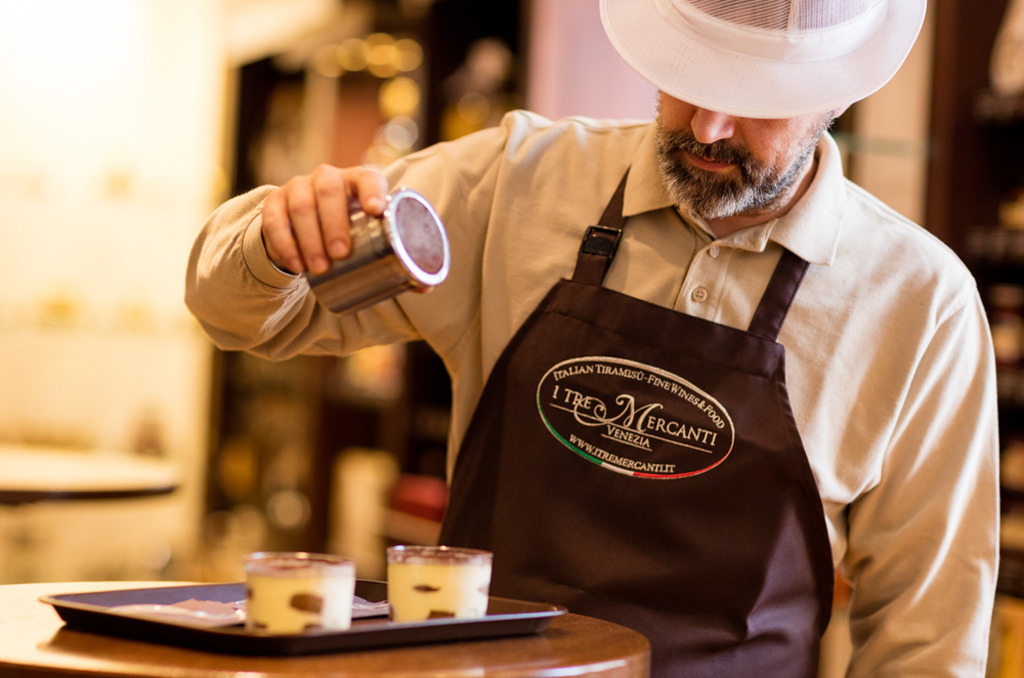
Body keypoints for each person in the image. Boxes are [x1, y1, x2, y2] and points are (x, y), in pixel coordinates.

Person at [185, 0, 1000, 676]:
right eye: (687, 80)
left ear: (839, 93)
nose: (709, 126)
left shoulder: (918, 303)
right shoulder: (518, 181)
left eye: (755, 98)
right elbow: (246, 314)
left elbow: (926, 637)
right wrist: (276, 238)